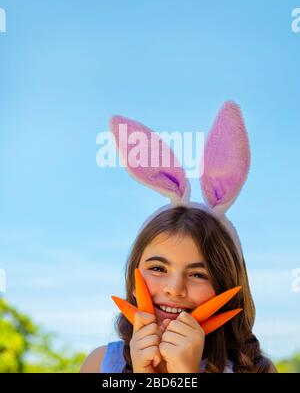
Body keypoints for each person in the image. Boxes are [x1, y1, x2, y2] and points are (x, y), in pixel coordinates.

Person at [80, 101, 277, 373]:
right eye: (158, 268)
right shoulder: (100, 363)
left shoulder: (255, 369)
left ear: (226, 287)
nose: (174, 289)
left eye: (199, 274)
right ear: (134, 278)